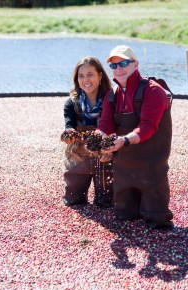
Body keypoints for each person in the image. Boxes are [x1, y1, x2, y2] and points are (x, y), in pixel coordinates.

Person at [97, 45, 173, 229]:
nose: (118, 69)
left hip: (151, 162)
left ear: (135, 64)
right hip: (123, 164)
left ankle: (155, 216)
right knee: (125, 215)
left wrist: (124, 140)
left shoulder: (154, 91)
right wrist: (98, 137)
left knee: (157, 220)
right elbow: (105, 123)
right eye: (113, 66)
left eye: (123, 63)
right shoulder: (111, 94)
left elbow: (148, 126)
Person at [61, 56, 114, 208]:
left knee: (106, 203)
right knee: (73, 201)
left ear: (100, 76)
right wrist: (69, 133)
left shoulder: (111, 99)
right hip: (79, 155)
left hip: (105, 155)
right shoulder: (71, 102)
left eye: (90, 74)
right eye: (81, 76)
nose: (86, 80)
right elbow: (69, 124)